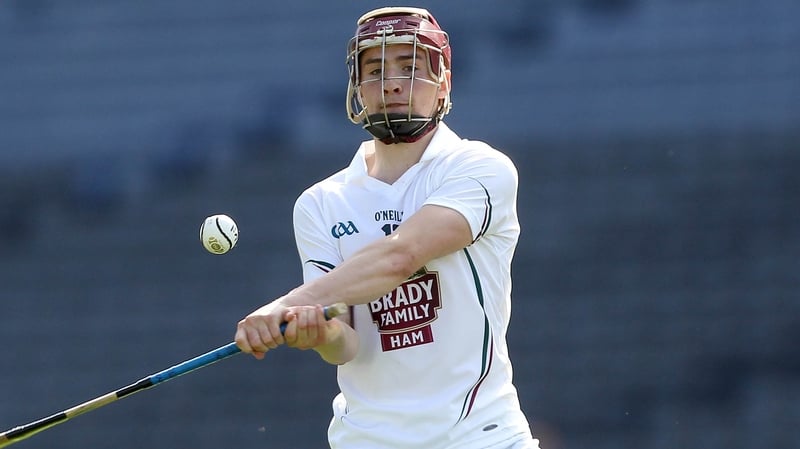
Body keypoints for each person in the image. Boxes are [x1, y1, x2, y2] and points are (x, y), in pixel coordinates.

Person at [235, 6, 540, 449]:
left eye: (411, 67)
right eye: (375, 69)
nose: (392, 82)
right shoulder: (321, 203)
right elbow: (347, 341)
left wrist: (289, 303)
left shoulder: (480, 169)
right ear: (358, 87)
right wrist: (318, 331)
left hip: (481, 436)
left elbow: (401, 256)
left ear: (443, 84)